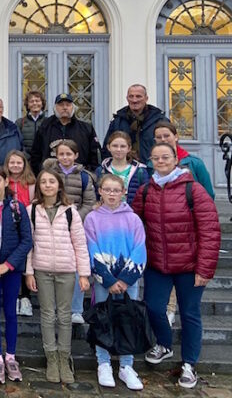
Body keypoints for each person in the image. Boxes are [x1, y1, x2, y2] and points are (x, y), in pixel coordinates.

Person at [132, 142, 221, 389]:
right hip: (158, 265)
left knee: (190, 314)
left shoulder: (194, 190)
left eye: (165, 158)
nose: (160, 162)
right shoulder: (145, 191)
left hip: (189, 266)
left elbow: (210, 231)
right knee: (154, 307)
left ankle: (190, 364)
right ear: (151, 161)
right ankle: (164, 344)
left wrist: (205, 269)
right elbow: (134, 223)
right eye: (156, 159)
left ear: (175, 159)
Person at [25, 169, 91, 385]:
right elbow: (29, 244)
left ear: (59, 185)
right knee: (46, 314)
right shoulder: (32, 210)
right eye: (43, 182)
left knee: (64, 315)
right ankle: (51, 357)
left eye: (51, 181)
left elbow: (80, 244)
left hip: (66, 270)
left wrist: (83, 274)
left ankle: (64, 356)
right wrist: (29, 272)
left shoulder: (70, 211)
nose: (47, 185)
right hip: (42, 269)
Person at [84, 174, 147, 391]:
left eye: (116, 190)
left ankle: (126, 365)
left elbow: (139, 249)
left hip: (128, 279)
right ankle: (103, 362)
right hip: (105, 280)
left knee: (127, 319)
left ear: (123, 192)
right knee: (103, 319)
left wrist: (125, 279)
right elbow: (91, 249)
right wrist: (108, 279)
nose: (112, 194)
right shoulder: (92, 219)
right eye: (107, 190)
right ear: (100, 191)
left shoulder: (133, 219)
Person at [0, 165, 33, 384]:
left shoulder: (17, 207)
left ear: (5, 181)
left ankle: (10, 355)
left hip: (11, 271)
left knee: (10, 311)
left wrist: (8, 265)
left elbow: (26, 240)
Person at [42, 139, 97, 324]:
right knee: (54, 268)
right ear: (56, 156)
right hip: (51, 225)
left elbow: (89, 203)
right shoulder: (49, 174)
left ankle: (75, 309)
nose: (65, 157)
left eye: (69, 154)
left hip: (75, 226)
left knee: (75, 267)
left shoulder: (84, 176)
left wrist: (73, 218)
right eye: (61, 154)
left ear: (76, 156)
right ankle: (57, 308)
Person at [30, 93, 101, 174]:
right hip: (51, 177)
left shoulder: (86, 128)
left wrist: (88, 174)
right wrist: (41, 172)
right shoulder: (45, 127)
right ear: (55, 108)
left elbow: (94, 155)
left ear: (73, 107)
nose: (64, 107)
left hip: (78, 177)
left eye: (68, 105)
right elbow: (35, 154)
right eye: (61, 105)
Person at [4, 149, 36, 317]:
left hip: (25, 225)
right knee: (11, 260)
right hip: (7, 226)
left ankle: (25, 297)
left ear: (24, 164)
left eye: (19, 162)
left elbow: (34, 203)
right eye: (12, 162)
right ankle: (14, 296)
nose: (15, 166)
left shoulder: (30, 183)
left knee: (25, 261)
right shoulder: (3, 181)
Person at [150, 121, 215, 198]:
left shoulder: (194, 163)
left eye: (166, 136)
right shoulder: (150, 164)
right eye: (158, 137)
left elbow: (208, 194)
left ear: (176, 137)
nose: (163, 139)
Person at [102, 85, 166, 164]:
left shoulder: (160, 120)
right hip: (123, 171)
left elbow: (169, 146)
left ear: (146, 98)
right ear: (127, 98)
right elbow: (107, 148)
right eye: (131, 96)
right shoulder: (117, 122)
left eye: (138, 96)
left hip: (153, 170)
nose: (134, 100)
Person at [95, 131, 149, 205]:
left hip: (132, 214)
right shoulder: (101, 171)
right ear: (108, 147)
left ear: (129, 148)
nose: (118, 149)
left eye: (123, 146)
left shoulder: (140, 171)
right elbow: (96, 195)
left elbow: (146, 197)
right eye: (115, 146)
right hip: (108, 213)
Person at [15, 90, 46, 156]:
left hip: (43, 161)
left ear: (42, 104)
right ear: (27, 105)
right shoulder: (20, 122)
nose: (35, 103)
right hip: (25, 160)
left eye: (37, 101)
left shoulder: (48, 122)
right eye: (31, 101)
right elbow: (17, 143)